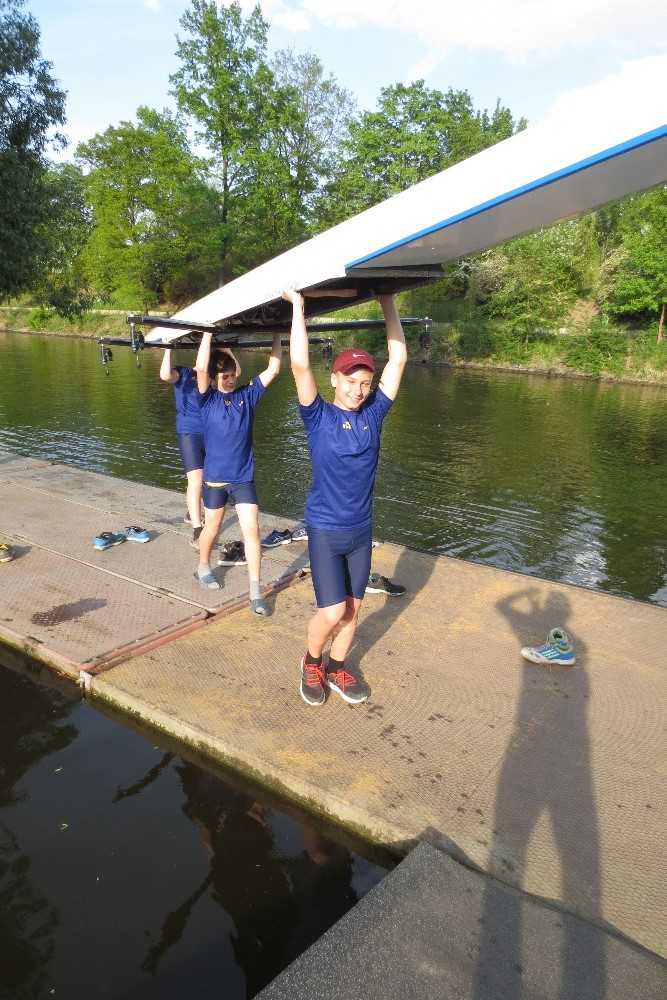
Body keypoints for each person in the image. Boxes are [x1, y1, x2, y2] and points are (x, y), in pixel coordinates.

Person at [283, 285, 407, 706]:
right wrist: (298, 308)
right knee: (333, 611)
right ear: (334, 379)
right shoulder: (318, 416)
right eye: (351, 381)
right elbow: (299, 365)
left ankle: (337, 668)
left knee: (353, 611)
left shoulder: (374, 414)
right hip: (325, 529)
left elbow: (398, 360)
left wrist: (388, 303)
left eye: (365, 383)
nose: (358, 389)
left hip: (360, 531)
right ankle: (311, 661)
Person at [193, 329, 282, 615]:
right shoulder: (207, 400)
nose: (230, 381)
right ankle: (203, 567)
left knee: (252, 529)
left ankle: (255, 592)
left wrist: (277, 333)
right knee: (212, 527)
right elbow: (200, 368)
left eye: (232, 375)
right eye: (224, 377)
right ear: (214, 379)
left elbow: (274, 368)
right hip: (215, 479)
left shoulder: (248, 395)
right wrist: (207, 334)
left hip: (243, 478)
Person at [160, 346, 228, 548]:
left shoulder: (214, 377)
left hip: (212, 433)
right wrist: (167, 348)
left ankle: (193, 512)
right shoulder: (184, 373)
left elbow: (236, 373)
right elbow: (165, 375)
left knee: (209, 479)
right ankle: (198, 528)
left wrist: (226, 348)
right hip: (189, 432)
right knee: (196, 480)